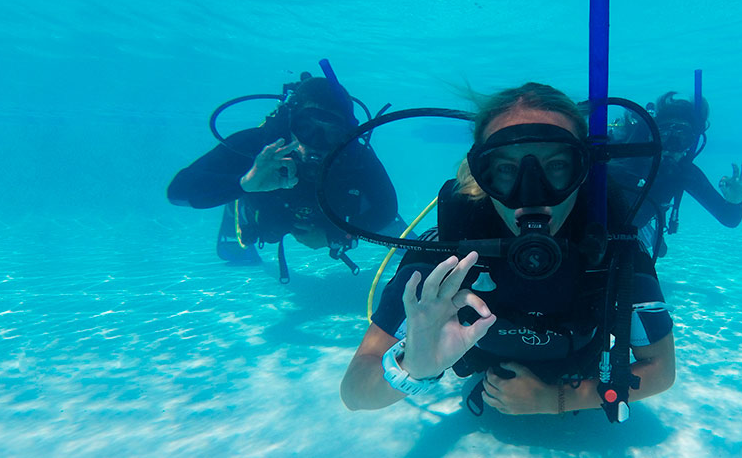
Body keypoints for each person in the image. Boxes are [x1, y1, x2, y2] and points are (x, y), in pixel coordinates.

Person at [340, 83, 675, 417]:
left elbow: (661, 369)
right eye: (504, 169)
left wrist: (557, 399)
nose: (532, 193)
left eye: (557, 165)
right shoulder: (445, 257)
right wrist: (414, 367)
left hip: (577, 379)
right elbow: (355, 391)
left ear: (582, 170)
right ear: (481, 174)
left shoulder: (611, 249)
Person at [167, 74, 400, 276]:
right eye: (306, 129)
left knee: (383, 224)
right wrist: (243, 184)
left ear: (346, 134)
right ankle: (237, 207)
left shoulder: (355, 156)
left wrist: (336, 235)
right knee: (266, 225)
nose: (316, 144)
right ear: (290, 122)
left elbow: (387, 209)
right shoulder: (258, 145)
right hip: (269, 209)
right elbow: (177, 192)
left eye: (332, 133)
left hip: (328, 218)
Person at [609, 91, 742, 259]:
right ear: (653, 136)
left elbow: (729, 219)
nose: (672, 146)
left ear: (691, 143)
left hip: (632, 225)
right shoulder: (625, 158)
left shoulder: (683, 172)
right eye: (665, 136)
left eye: (682, 138)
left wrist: (735, 201)